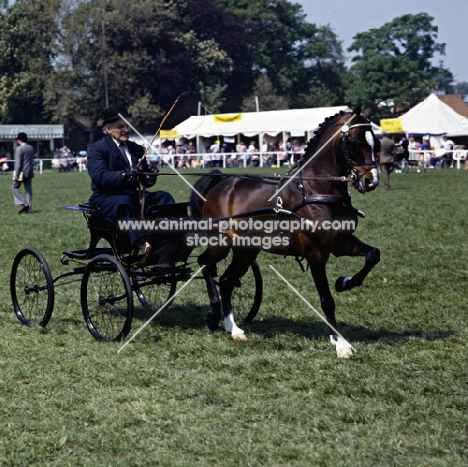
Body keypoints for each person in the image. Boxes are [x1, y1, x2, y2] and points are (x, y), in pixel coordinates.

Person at [86, 104, 175, 255]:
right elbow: (99, 176)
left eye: (128, 125)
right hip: (106, 198)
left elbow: (145, 181)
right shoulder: (98, 149)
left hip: (133, 196)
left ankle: (166, 238)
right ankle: (141, 242)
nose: (126, 130)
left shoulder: (136, 148)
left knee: (163, 197)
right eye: (121, 126)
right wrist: (125, 174)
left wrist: (150, 174)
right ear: (108, 129)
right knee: (123, 202)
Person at [12, 132, 35, 213]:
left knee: (15, 187)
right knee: (28, 190)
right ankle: (29, 208)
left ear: (20, 140)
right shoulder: (31, 148)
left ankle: (23, 203)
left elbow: (18, 163)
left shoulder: (19, 149)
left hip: (21, 172)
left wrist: (16, 174)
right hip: (29, 171)